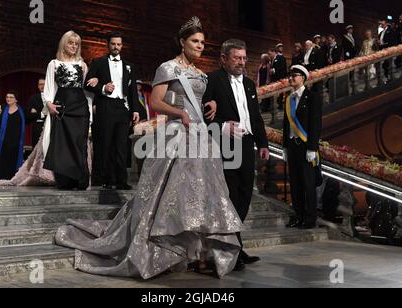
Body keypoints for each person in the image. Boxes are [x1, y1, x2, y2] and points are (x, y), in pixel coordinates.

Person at [55, 17, 243, 280]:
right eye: (194, 41)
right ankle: (164, 249)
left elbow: (198, 101)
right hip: (177, 135)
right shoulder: (167, 68)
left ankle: (198, 253)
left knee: (200, 195)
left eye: (202, 42)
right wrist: (179, 112)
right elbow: (156, 102)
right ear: (182, 42)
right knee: (168, 196)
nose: (200, 46)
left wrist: (209, 104)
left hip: (200, 137)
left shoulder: (201, 74)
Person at [203, 39, 270, 271]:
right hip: (226, 145)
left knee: (244, 195)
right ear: (224, 58)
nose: (242, 62)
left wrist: (263, 143)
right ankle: (230, 249)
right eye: (237, 58)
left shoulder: (250, 84)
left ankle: (236, 246)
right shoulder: (212, 80)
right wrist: (223, 127)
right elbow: (204, 115)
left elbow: (255, 116)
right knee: (230, 196)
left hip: (248, 144)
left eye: (244, 58)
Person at [84, 31, 141, 191]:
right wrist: (102, 87)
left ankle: (121, 180)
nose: (116, 47)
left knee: (122, 146)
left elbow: (132, 90)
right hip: (105, 106)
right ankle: (107, 180)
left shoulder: (129, 65)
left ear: (122, 46)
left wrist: (135, 109)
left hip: (122, 108)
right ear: (108, 45)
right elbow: (86, 84)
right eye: (113, 44)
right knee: (106, 144)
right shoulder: (99, 62)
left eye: (119, 44)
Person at [42, 30, 92, 190]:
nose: (74, 46)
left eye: (77, 44)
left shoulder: (82, 65)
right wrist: (48, 104)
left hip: (80, 108)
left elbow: (87, 92)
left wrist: (89, 113)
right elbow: (49, 87)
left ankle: (80, 180)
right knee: (61, 145)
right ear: (64, 43)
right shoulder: (54, 64)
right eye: (71, 43)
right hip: (62, 108)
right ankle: (64, 181)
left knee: (79, 144)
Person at [283, 65, 322, 230]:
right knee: (295, 183)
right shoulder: (289, 98)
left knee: (308, 183)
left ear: (303, 78)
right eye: (290, 75)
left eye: (295, 75)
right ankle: (298, 215)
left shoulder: (312, 97)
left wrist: (312, 148)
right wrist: (285, 147)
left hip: (306, 147)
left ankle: (310, 218)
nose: (292, 78)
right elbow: (286, 126)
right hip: (292, 146)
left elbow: (315, 123)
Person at [0, 91, 26, 181]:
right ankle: (2, 177)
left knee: (13, 156)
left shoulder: (21, 110)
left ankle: (12, 177)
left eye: (11, 97)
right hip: (3, 138)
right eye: (7, 97)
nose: (8, 99)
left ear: (16, 99)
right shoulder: (3, 108)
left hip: (16, 139)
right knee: (3, 157)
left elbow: (26, 120)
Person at [26, 78, 46, 148]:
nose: (42, 86)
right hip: (38, 130)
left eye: (44, 84)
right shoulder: (33, 98)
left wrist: (36, 113)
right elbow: (28, 115)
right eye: (40, 84)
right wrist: (42, 114)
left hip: (51, 128)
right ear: (38, 86)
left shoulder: (53, 97)